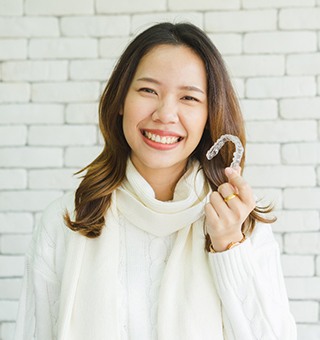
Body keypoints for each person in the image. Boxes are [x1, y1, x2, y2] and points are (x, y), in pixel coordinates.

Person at [14, 22, 297, 340]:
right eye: (148, 91)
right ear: (120, 100)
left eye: (189, 98)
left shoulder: (243, 222)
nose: (165, 113)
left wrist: (229, 246)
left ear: (208, 115)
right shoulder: (66, 220)